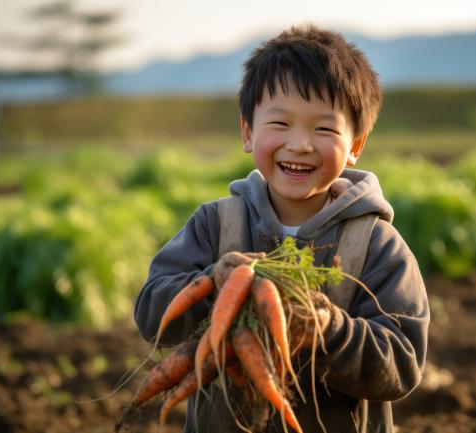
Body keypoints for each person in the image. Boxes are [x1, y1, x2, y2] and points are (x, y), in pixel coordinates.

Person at [134, 24, 429, 433]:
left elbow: (403, 362)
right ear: (248, 132)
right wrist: (215, 285)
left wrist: (328, 330)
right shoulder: (216, 224)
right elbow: (151, 314)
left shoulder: (376, 245)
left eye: (323, 128)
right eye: (280, 124)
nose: (300, 144)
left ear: (356, 145)